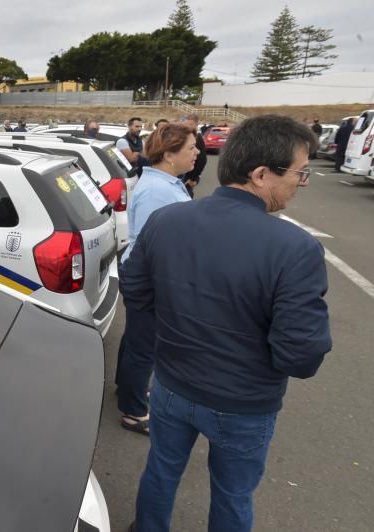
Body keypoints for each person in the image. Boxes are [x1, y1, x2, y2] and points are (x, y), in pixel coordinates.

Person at [123, 114, 332, 532]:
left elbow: (135, 288)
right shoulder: (295, 249)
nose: (301, 182)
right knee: (232, 494)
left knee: (161, 473)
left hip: (171, 383)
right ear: (259, 174)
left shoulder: (168, 219)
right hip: (243, 401)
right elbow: (301, 356)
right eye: (299, 173)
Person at [114, 123, 197, 435]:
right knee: (144, 344)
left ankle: (128, 389)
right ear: (170, 153)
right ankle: (133, 410)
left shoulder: (166, 182)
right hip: (149, 277)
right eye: (191, 148)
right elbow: (156, 247)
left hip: (146, 273)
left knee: (137, 338)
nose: (197, 153)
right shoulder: (156, 191)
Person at [180, 113, 207, 198]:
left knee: (186, 196)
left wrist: (193, 178)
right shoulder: (183, 136)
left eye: (191, 124)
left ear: (196, 124)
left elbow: (202, 160)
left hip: (188, 176)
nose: (188, 126)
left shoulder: (198, 138)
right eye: (186, 124)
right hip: (180, 173)